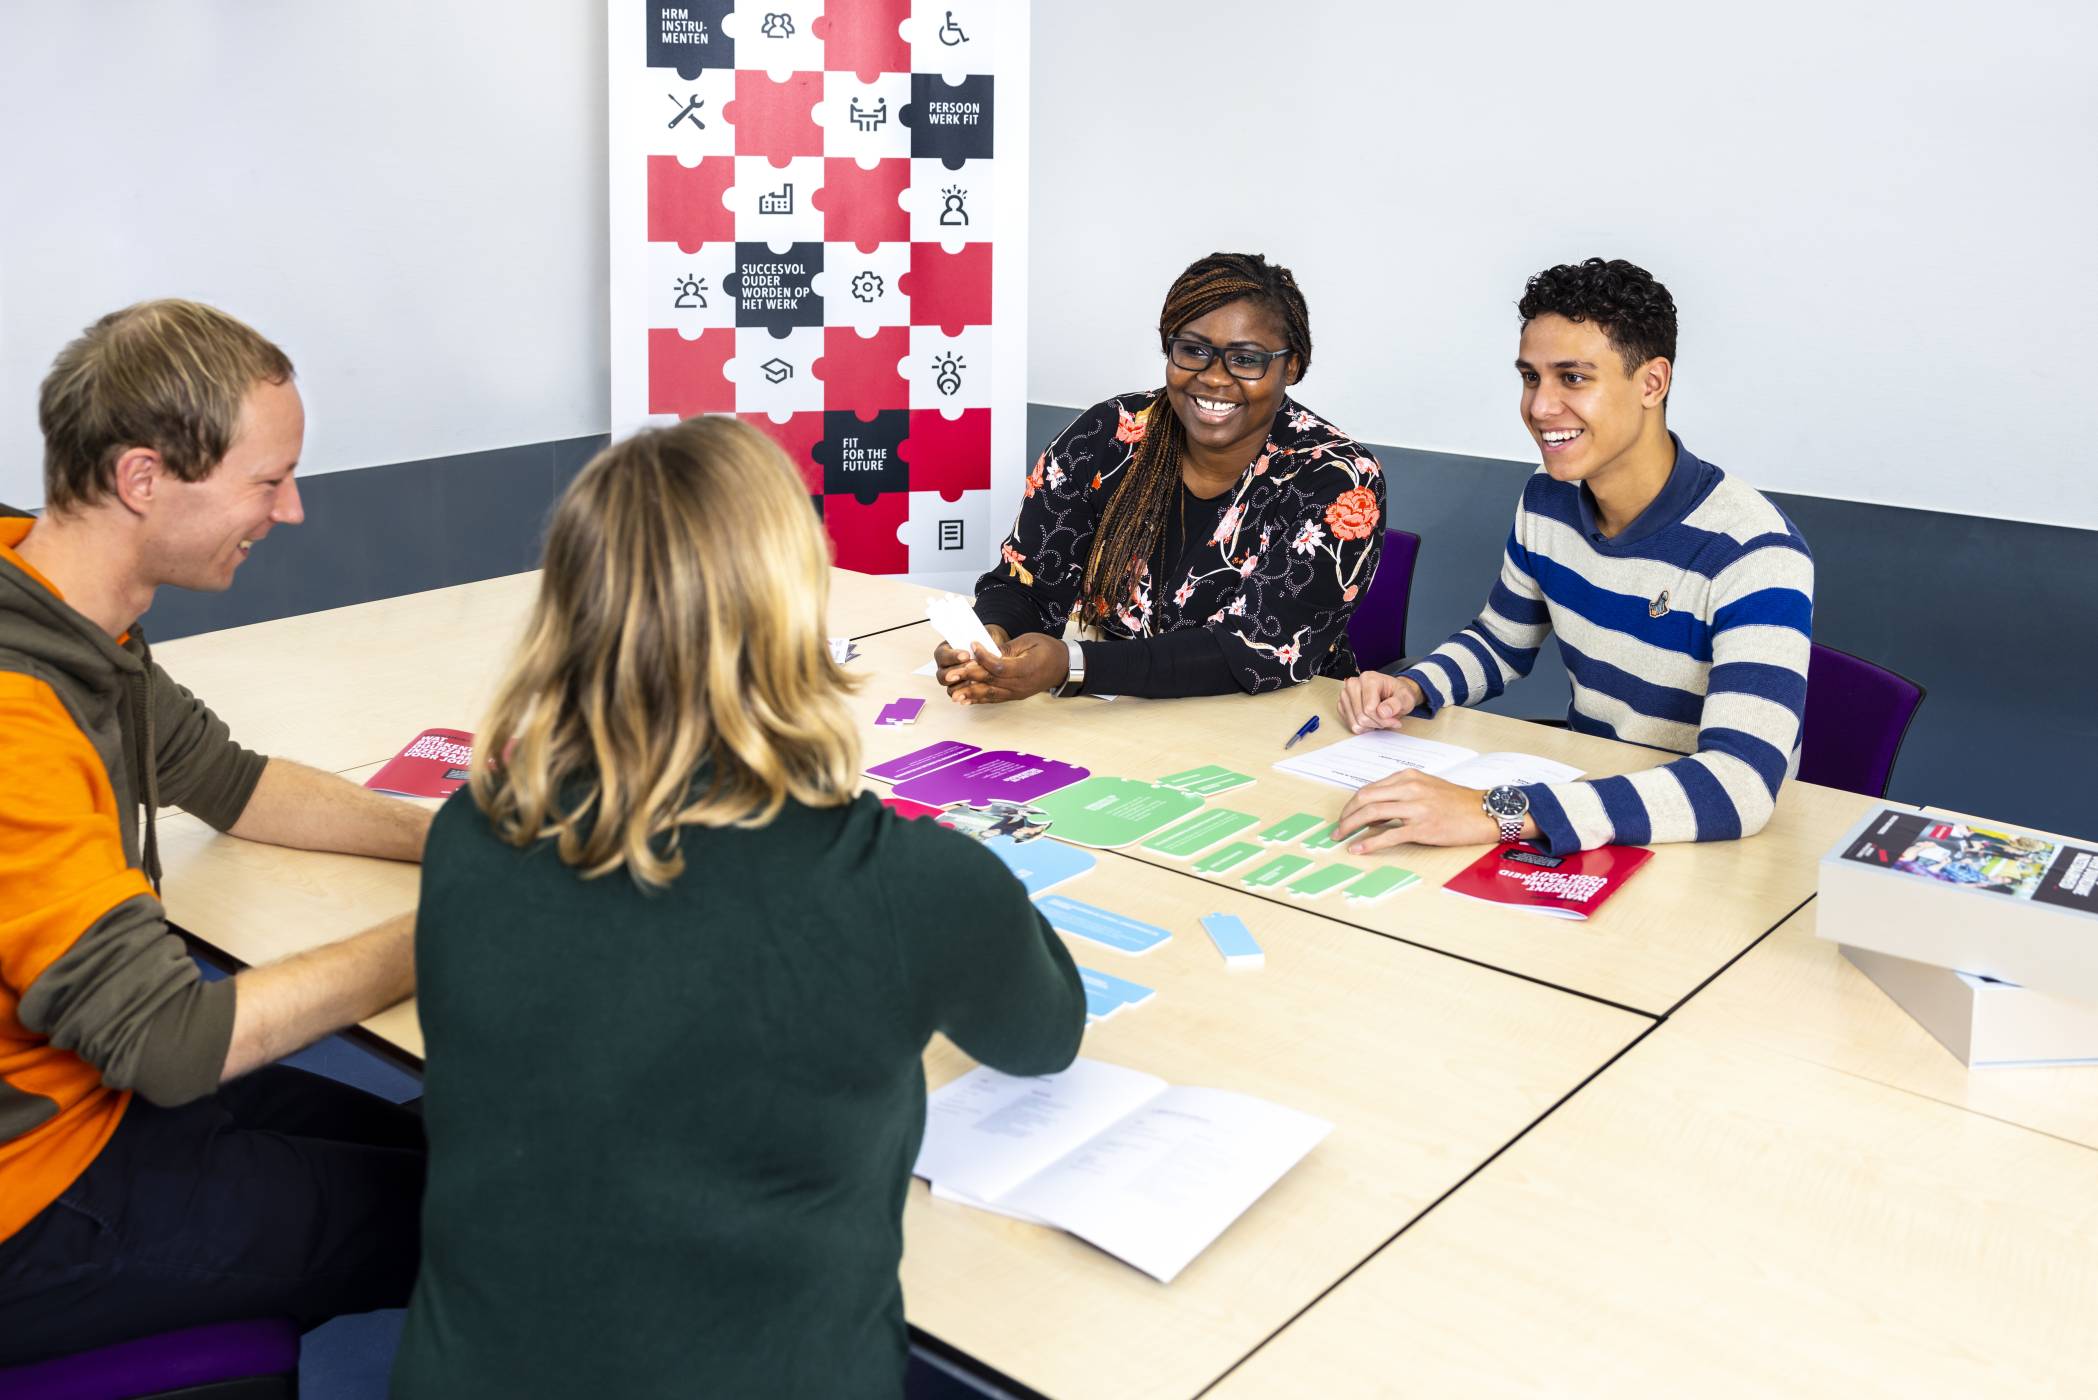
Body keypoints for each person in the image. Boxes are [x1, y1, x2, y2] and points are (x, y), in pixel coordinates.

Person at [393, 417, 1085, 1399]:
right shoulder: (905, 882)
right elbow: (1045, 1032)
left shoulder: (473, 828)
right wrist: (940, 867)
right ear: (790, 607)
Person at [0, 301, 433, 1361]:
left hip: (83, 1093)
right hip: (32, 1199)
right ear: (144, 479)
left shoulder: (56, 599)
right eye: (266, 479)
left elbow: (226, 778)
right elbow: (170, 1042)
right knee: (497, 1213)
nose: (288, 511)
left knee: (462, 1150)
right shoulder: (16, 720)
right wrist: (455, 921)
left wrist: (457, 838)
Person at [1335, 259, 1813, 856]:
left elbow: (1741, 785)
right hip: (1586, 805)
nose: (1540, 406)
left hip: (1702, 839)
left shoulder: (1752, 551)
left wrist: (1496, 812)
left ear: (1652, 383)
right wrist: (1411, 688)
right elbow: (1501, 642)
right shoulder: (1548, 496)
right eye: (1531, 378)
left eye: (1574, 378)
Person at [936, 251, 1385, 703]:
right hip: (1120, 714)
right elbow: (1026, 582)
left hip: (1271, 723)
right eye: (1193, 351)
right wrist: (987, 641)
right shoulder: (1109, 435)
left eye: (1245, 360)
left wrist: (1072, 665)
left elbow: (1252, 652)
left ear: (1291, 366)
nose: (1213, 378)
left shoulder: (1338, 481)